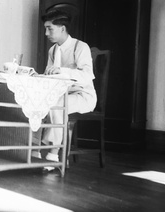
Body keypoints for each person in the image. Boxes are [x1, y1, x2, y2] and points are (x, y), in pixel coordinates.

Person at [32, 9, 97, 169]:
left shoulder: (80, 47)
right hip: (60, 95)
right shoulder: (53, 50)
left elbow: (88, 75)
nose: (46, 33)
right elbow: (50, 75)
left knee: (57, 104)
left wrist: (62, 71)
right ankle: (34, 151)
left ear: (62, 28)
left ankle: (54, 155)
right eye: (45, 28)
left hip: (83, 96)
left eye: (50, 29)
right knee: (36, 103)